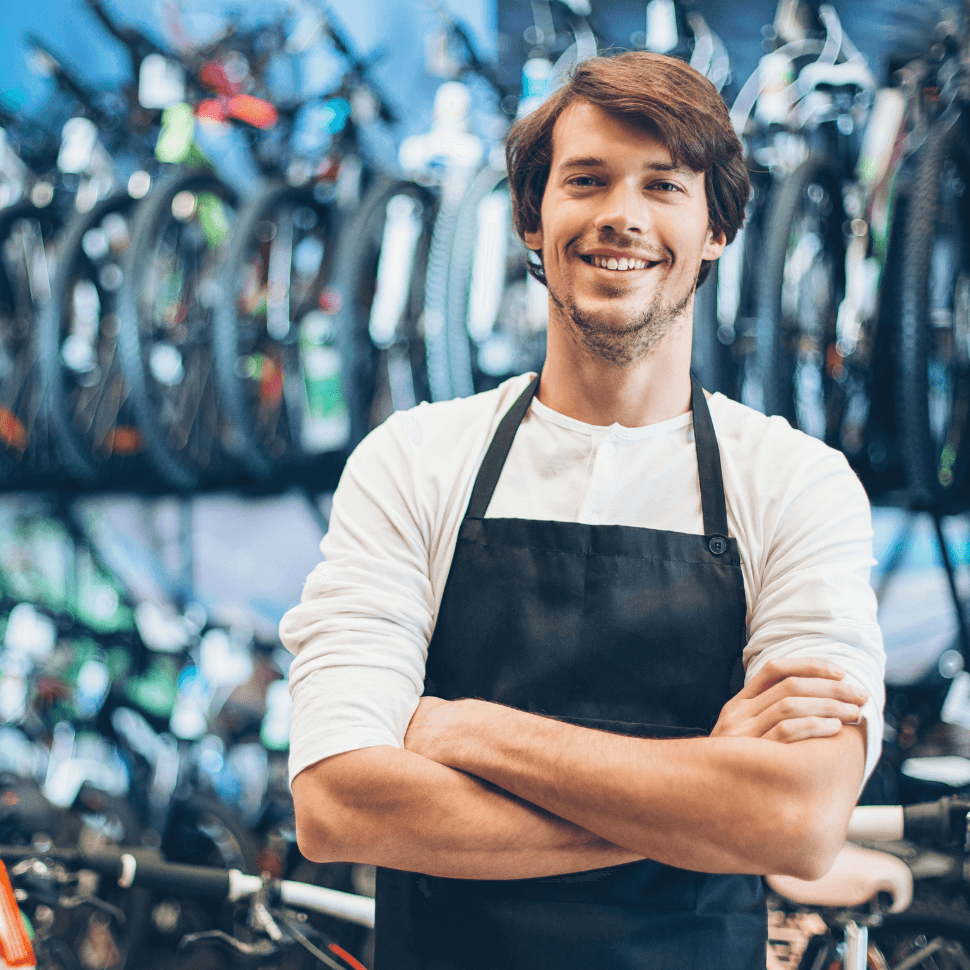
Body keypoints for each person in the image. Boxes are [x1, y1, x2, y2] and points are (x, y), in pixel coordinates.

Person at [281, 50, 886, 970]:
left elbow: (797, 822)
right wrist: (703, 803)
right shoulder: (413, 460)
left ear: (717, 226)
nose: (622, 217)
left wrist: (468, 730)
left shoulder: (797, 484)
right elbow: (338, 805)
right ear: (534, 216)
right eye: (587, 180)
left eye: (664, 186)